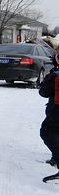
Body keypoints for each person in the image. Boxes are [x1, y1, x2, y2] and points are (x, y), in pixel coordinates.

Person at [39, 53, 59, 182]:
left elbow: (44, 92)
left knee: (47, 132)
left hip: (57, 109)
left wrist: (46, 80)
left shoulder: (55, 75)